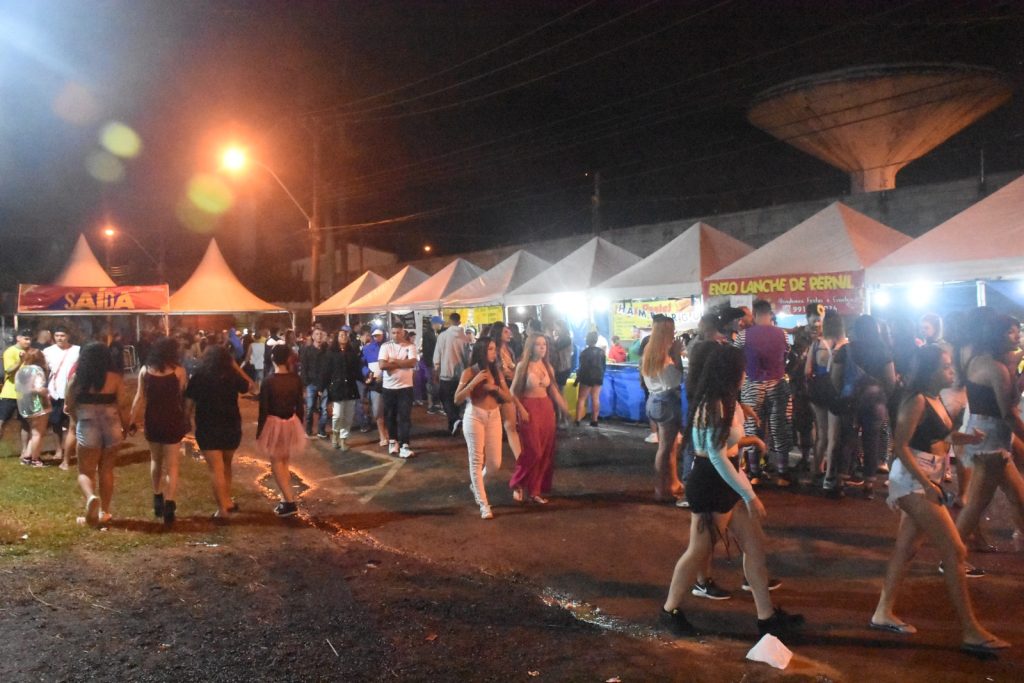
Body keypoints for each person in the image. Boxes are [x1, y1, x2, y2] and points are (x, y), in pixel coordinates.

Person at [870, 345, 1008, 653]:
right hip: (911, 481)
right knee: (956, 550)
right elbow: (901, 447)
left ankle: (883, 612)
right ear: (931, 371)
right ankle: (971, 630)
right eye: (946, 367)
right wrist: (927, 485)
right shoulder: (916, 400)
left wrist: (965, 439)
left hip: (927, 477)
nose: (952, 371)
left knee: (906, 548)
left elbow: (938, 437)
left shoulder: (935, 399)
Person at [660, 344, 803, 638]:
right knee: (698, 551)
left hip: (725, 480)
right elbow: (715, 454)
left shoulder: (727, 400)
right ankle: (669, 610)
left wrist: (750, 440)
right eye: (742, 369)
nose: (746, 374)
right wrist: (750, 494)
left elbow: (727, 446)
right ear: (731, 373)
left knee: (754, 546)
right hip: (712, 483)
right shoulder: (714, 404)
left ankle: (766, 616)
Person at [955, 313, 1024, 559]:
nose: (1017, 335)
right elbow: (1008, 412)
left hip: (989, 436)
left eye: (1018, 330)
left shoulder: (983, 360)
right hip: (990, 441)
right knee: (976, 505)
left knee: (1019, 497)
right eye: (1011, 332)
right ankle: (949, 558)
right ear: (996, 335)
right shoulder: (995, 368)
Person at [830, 315, 896, 500]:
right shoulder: (883, 351)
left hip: (850, 400)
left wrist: (843, 392)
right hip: (876, 401)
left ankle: (841, 482)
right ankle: (868, 485)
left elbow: (835, 377)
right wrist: (883, 397)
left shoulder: (846, 349)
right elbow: (890, 380)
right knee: (872, 441)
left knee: (847, 439)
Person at [65, 342, 130, 526]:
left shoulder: (77, 379)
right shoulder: (115, 378)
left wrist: (77, 420)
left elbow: (69, 405)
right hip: (112, 426)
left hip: (87, 424)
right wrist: (126, 426)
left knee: (85, 471)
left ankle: (91, 497)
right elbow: (123, 404)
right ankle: (105, 512)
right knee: (107, 470)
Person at [185, 345, 253, 521]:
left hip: (208, 426)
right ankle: (227, 501)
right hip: (230, 425)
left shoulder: (199, 377)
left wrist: (186, 421)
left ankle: (222, 508)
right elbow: (251, 386)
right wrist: (236, 367)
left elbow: (189, 403)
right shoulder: (231, 376)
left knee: (216, 469)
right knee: (227, 465)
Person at [130, 336, 189, 526]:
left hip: (153, 419)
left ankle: (157, 496)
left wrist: (131, 420)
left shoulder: (145, 371)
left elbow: (139, 397)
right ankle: (170, 503)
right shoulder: (179, 371)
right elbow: (182, 395)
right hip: (172, 419)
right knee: (172, 465)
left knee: (155, 460)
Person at [734, 299, 793, 486]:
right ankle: (783, 473)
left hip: (752, 384)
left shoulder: (744, 336)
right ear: (770, 313)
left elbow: (734, 356)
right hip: (778, 383)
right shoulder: (782, 334)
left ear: (756, 313)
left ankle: (755, 473)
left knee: (753, 427)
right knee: (779, 427)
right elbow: (787, 355)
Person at [456, 337, 513, 519]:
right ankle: (483, 503)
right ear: (481, 351)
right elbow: (457, 398)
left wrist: (494, 388)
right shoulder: (469, 372)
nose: (494, 353)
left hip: (494, 415)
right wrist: (473, 384)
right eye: (490, 349)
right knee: (476, 460)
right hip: (475, 416)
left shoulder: (497, 371)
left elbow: (508, 397)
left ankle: (476, 484)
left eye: (494, 349)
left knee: (495, 464)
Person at [509, 333, 569, 504]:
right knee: (533, 451)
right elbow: (513, 392)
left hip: (546, 409)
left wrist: (564, 408)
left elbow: (554, 391)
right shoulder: (523, 366)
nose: (542, 347)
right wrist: (521, 410)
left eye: (544, 344)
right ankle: (518, 483)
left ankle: (535, 490)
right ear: (530, 347)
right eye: (538, 344)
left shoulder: (547, 366)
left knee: (545, 453)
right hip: (530, 408)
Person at [257, 344, 306, 517]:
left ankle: (290, 501)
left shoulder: (269, 381)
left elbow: (263, 409)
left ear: (272, 359)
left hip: (274, 423)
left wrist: (260, 432)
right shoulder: (295, 379)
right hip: (291, 422)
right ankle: (286, 500)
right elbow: (300, 406)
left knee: (277, 463)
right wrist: (299, 424)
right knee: (284, 461)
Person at [642, 316, 685, 503]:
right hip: (666, 402)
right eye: (672, 330)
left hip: (654, 399)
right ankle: (661, 488)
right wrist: (677, 357)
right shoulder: (663, 356)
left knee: (669, 446)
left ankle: (673, 482)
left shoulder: (649, 351)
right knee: (666, 448)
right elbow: (674, 381)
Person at [805, 308, 846, 486]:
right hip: (836, 391)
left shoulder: (816, 345)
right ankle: (829, 475)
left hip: (818, 391)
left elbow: (807, 371)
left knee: (821, 434)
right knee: (833, 436)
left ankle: (816, 470)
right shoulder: (845, 344)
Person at [378, 324, 419, 458]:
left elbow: (412, 363)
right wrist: (403, 363)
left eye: (398, 332)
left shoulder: (410, 346)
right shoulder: (385, 346)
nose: (396, 335)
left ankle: (405, 444)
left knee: (405, 416)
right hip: (389, 387)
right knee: (390, 416)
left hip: (405, 387)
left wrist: (394, 361)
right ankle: (392, 441)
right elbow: (382, 365)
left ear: (403, 333)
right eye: (393, 333)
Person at [43, 325, 80, 469]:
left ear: (68, 336)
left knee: (73, 425)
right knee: (56, 423)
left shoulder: (77, 350)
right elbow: (45, 370)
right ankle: (59, 449)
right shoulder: (47, 351)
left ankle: (72, 451)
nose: (60, 338)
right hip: (55, 392)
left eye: (62, 335)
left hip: (71, 393)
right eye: (57, 335)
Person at [322, 327, 362, 451]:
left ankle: (344, 439)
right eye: (341, 335)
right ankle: (335, 434)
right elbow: (326, 371)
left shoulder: (352, 352)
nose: (343, 337)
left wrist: (365, 379)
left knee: (349, 415)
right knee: (338, 414)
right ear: (337, 338)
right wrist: (322, 386)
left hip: (350, 387)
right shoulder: (331, 353)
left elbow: (357, 370)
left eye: (345, 335)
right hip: (337, 387)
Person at [434, 312, 471, 436]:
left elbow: (437, 355)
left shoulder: (442, 336)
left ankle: (454, 420)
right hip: (461, 375)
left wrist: (436, 369)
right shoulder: (465, 338)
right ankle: (453, 425)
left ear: (449, 322)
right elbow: (467, 358)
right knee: (457, 400)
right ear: (459, 322)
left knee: (446, 399)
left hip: (446, 373)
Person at [489, 321, 522, 459]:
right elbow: (499, 372)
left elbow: (512, 369)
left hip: (510, 387)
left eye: (509, 331)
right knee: (498, 425)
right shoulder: (493, 351)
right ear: (498, 334)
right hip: (497, 389)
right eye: (506, 332)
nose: (510, 334)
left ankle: (520, 458)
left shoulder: (510, 350)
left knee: (510, 425)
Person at [14, 348, 51, 467]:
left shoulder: (21, 371)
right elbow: (38, 388)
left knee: (33, 431)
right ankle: (36, 459)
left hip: (24, 404)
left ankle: (27, 456)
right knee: (38, 433)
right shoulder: (38, 370)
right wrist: (45, 391)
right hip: (37, 404)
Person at [1, 329, 33, 458]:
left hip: (25, 393)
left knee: (25, 422)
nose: (28, 341)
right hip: (10, 392)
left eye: (30, 339)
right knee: (2, 421)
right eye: (26, 338)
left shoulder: (32, 352)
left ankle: (24, 450)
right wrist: (20, 361)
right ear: (18, 338)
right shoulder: (10, 352)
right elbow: (8, 370)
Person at [299, 328, 329, 438]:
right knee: (310, 408)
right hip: (311, 383)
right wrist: (305, 382)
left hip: (324, 383)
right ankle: (308, 429)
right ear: (313, 336)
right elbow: (304, 367)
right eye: (317, 334)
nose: (319, 336)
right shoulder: (307, 350)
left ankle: (321, 430)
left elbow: (328, 367)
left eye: (321, 334)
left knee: (324, 409)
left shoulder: (327, 350)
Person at [362, 327, 389, 445]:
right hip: (374, 383)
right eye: (374, 335)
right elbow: (362, 364)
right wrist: (367, 373)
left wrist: (383, 374)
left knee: (389, 409)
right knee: (377, 409)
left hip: (389, 382)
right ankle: (382, 434)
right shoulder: (366, 349)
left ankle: (390, 434)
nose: (377, 337)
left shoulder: (389, 347)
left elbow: (391, 363)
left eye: (379, 335)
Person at [575, 331, 606, 427]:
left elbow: (582, 367)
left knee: (581, 398)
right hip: (598, 376)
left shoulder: (584, 353)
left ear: (587, 340)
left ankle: (578, 420)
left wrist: (577, 380)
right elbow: (604, 366)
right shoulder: (601, 352)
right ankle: (594, 420)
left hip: (586, 377)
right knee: (595, 398)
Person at [422, 316, 443, 414]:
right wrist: (432, 364)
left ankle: (434, 404)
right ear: (435, 324)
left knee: (434, 383)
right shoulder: (428, 334)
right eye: (440, 323)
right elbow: (427, 351)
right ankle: (431, 405)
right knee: (431, 383)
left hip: (433, 363)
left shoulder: (433, 333)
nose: (441, 325)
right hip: (431, 364)